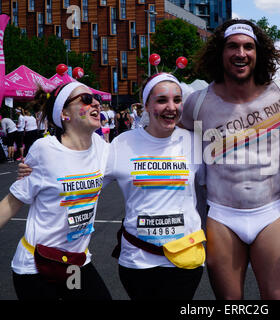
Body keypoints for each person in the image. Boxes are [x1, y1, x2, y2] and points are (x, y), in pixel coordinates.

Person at [180, 19, 280, 300]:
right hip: (221, 215)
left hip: (268, 212)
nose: (240, 53)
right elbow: (166, 140)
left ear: (259, 53)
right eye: (232, 46)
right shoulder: (198, 102)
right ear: (220, 52)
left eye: (248, 47)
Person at [0, 82, 112, 300]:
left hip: (74, 265)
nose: (96, 102)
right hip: (35, 267)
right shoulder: (45, 150)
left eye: (95, 98)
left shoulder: (104, 149)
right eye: (86, 99)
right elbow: (10, 203)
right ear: (64, 114)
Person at [106, 72, 205, 300]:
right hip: (137, 260)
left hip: (185, 258)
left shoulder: (196, 141)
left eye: (177, 100)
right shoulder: (121, 144)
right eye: (162, 100)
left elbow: (220, 185)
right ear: (147, 105)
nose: (171, 107)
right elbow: (86, 180)